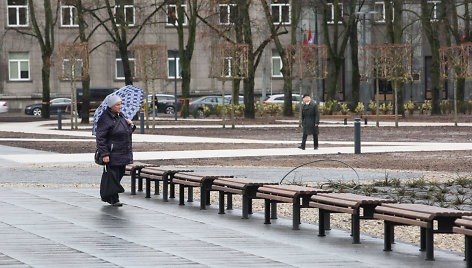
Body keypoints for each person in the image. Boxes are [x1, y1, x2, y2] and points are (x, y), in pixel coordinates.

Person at [96, 95, 136, 206]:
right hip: (112, 153)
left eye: (120, 104)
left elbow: (126, 132)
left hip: (123, 152)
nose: (120, 106)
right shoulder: (105, 118)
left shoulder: (120, 116)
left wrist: (130, 125)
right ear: (111, 106)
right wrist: (105, 153)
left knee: (119, 175)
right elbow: (101, 137)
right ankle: (114, 199)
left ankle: (110, 196)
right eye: (117, 104)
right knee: (113, 177)